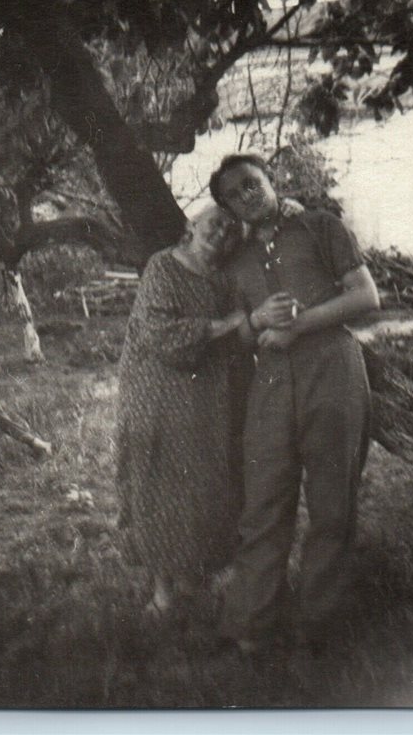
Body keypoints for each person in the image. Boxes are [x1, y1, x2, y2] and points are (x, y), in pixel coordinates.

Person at [209, 153, 380, 654]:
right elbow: (233, 334)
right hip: (270, 385)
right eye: (235, 193)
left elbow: (367, 297)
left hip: (332, 369)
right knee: (263, 503)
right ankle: (251, 626)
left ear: (269, 180)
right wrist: (259, 321)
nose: (248, 195)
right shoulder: (233, 258)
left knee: (332, 506)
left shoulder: (320, 226)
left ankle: (317, 627)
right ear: (228, 207)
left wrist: (299, 325)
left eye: (252, 183)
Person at [115, 204, 284, 617]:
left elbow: (245, 333)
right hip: (157, 394)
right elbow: (161, 336)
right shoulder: (163, 266)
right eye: (214, 223)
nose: (222, 232)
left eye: (231, 229)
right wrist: (233, 322)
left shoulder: (227, 277)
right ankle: (162, 594)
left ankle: (193, 580)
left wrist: (243, 323)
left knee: (204, 488)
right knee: (160, 486)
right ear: (191, 225)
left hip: (210, 398)